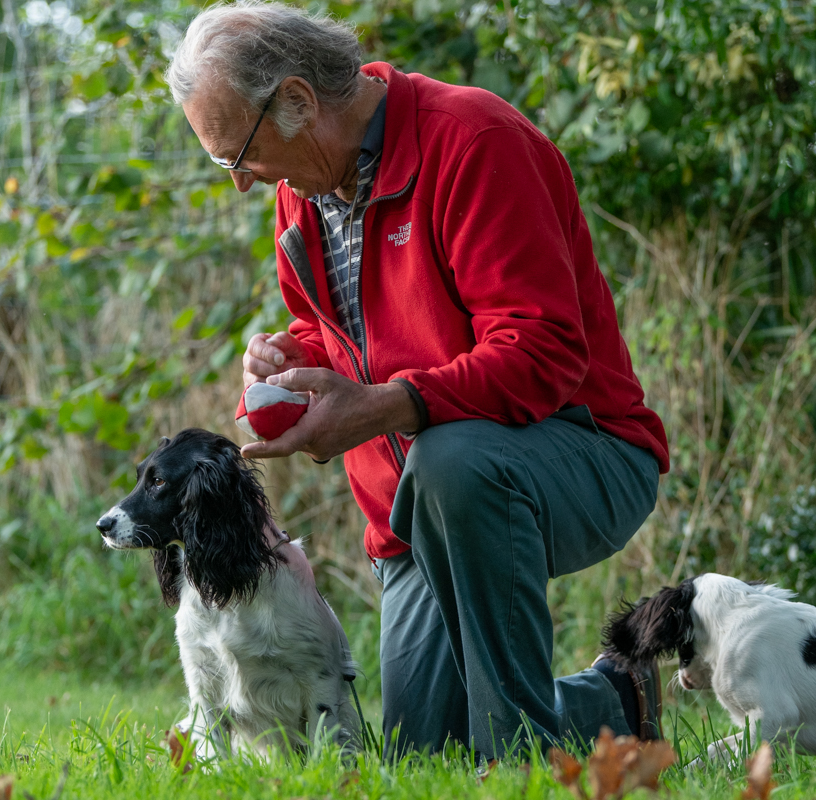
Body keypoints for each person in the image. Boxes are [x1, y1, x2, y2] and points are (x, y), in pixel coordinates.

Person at [166, 0, 670, 759]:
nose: (241, 183)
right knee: (419, 756)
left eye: (236, 155)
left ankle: (518, 764)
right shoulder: (300, 199)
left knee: (451, 460)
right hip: (414, 511)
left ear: (299, 102)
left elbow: (542, 350)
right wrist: (282, 370)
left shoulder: (474, 141)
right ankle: (614, 699)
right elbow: (331, 336)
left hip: (581, 453)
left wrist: (385, 407)